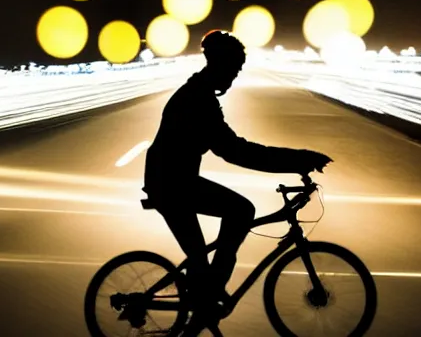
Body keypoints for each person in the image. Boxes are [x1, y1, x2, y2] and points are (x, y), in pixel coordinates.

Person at [142, 30, 332, 334]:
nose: (234, 77)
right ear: (219, 64)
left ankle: (205, 300)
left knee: (206, 253)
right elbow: (237, 152)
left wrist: (296, 160)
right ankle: (208, 296)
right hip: (171, 184)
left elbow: (236, 149)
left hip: (175, 180)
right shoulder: (197, 99)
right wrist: (297, 159)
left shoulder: (201, 93)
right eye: (233, 70)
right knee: (240, 212)